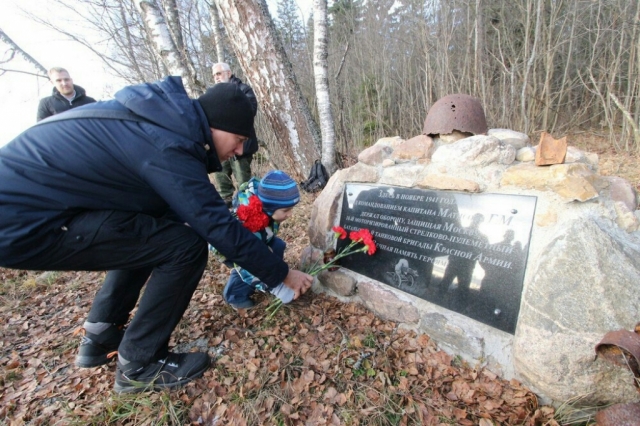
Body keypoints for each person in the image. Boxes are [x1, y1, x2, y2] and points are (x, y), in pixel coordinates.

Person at [0, 77, 313, 393]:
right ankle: (140, 363)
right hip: (25, 220)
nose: (240, 150)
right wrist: (281, 274)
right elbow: (215, 227)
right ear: (216, 126)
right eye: (239, 138)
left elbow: (177, 205)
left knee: (151, 232)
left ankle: (100, 336)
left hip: (30, 210)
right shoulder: (167, 142)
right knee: (185, 247)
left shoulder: (160, 122)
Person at [214, 170, 300, 309]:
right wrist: (276, 286)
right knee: (247, 265)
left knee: (276, 246)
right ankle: (235, 295)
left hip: (257, 239)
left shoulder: (265, 208)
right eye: (286, 210)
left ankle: (270, 279)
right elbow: (250, 260)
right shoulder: (247, 222)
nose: (290, 214)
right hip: (233, 249)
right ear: (270, 207)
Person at [211, 62, 259, 207]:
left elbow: (250, 112)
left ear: (229, 73)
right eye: (214, 75)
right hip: (221, 145)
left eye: (219, 74)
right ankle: (227, 209)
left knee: (244, 185)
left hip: (241, 145)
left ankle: (248, 211)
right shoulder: (213, 93)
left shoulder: (244, 90)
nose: (217, 78)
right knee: (221, 179)